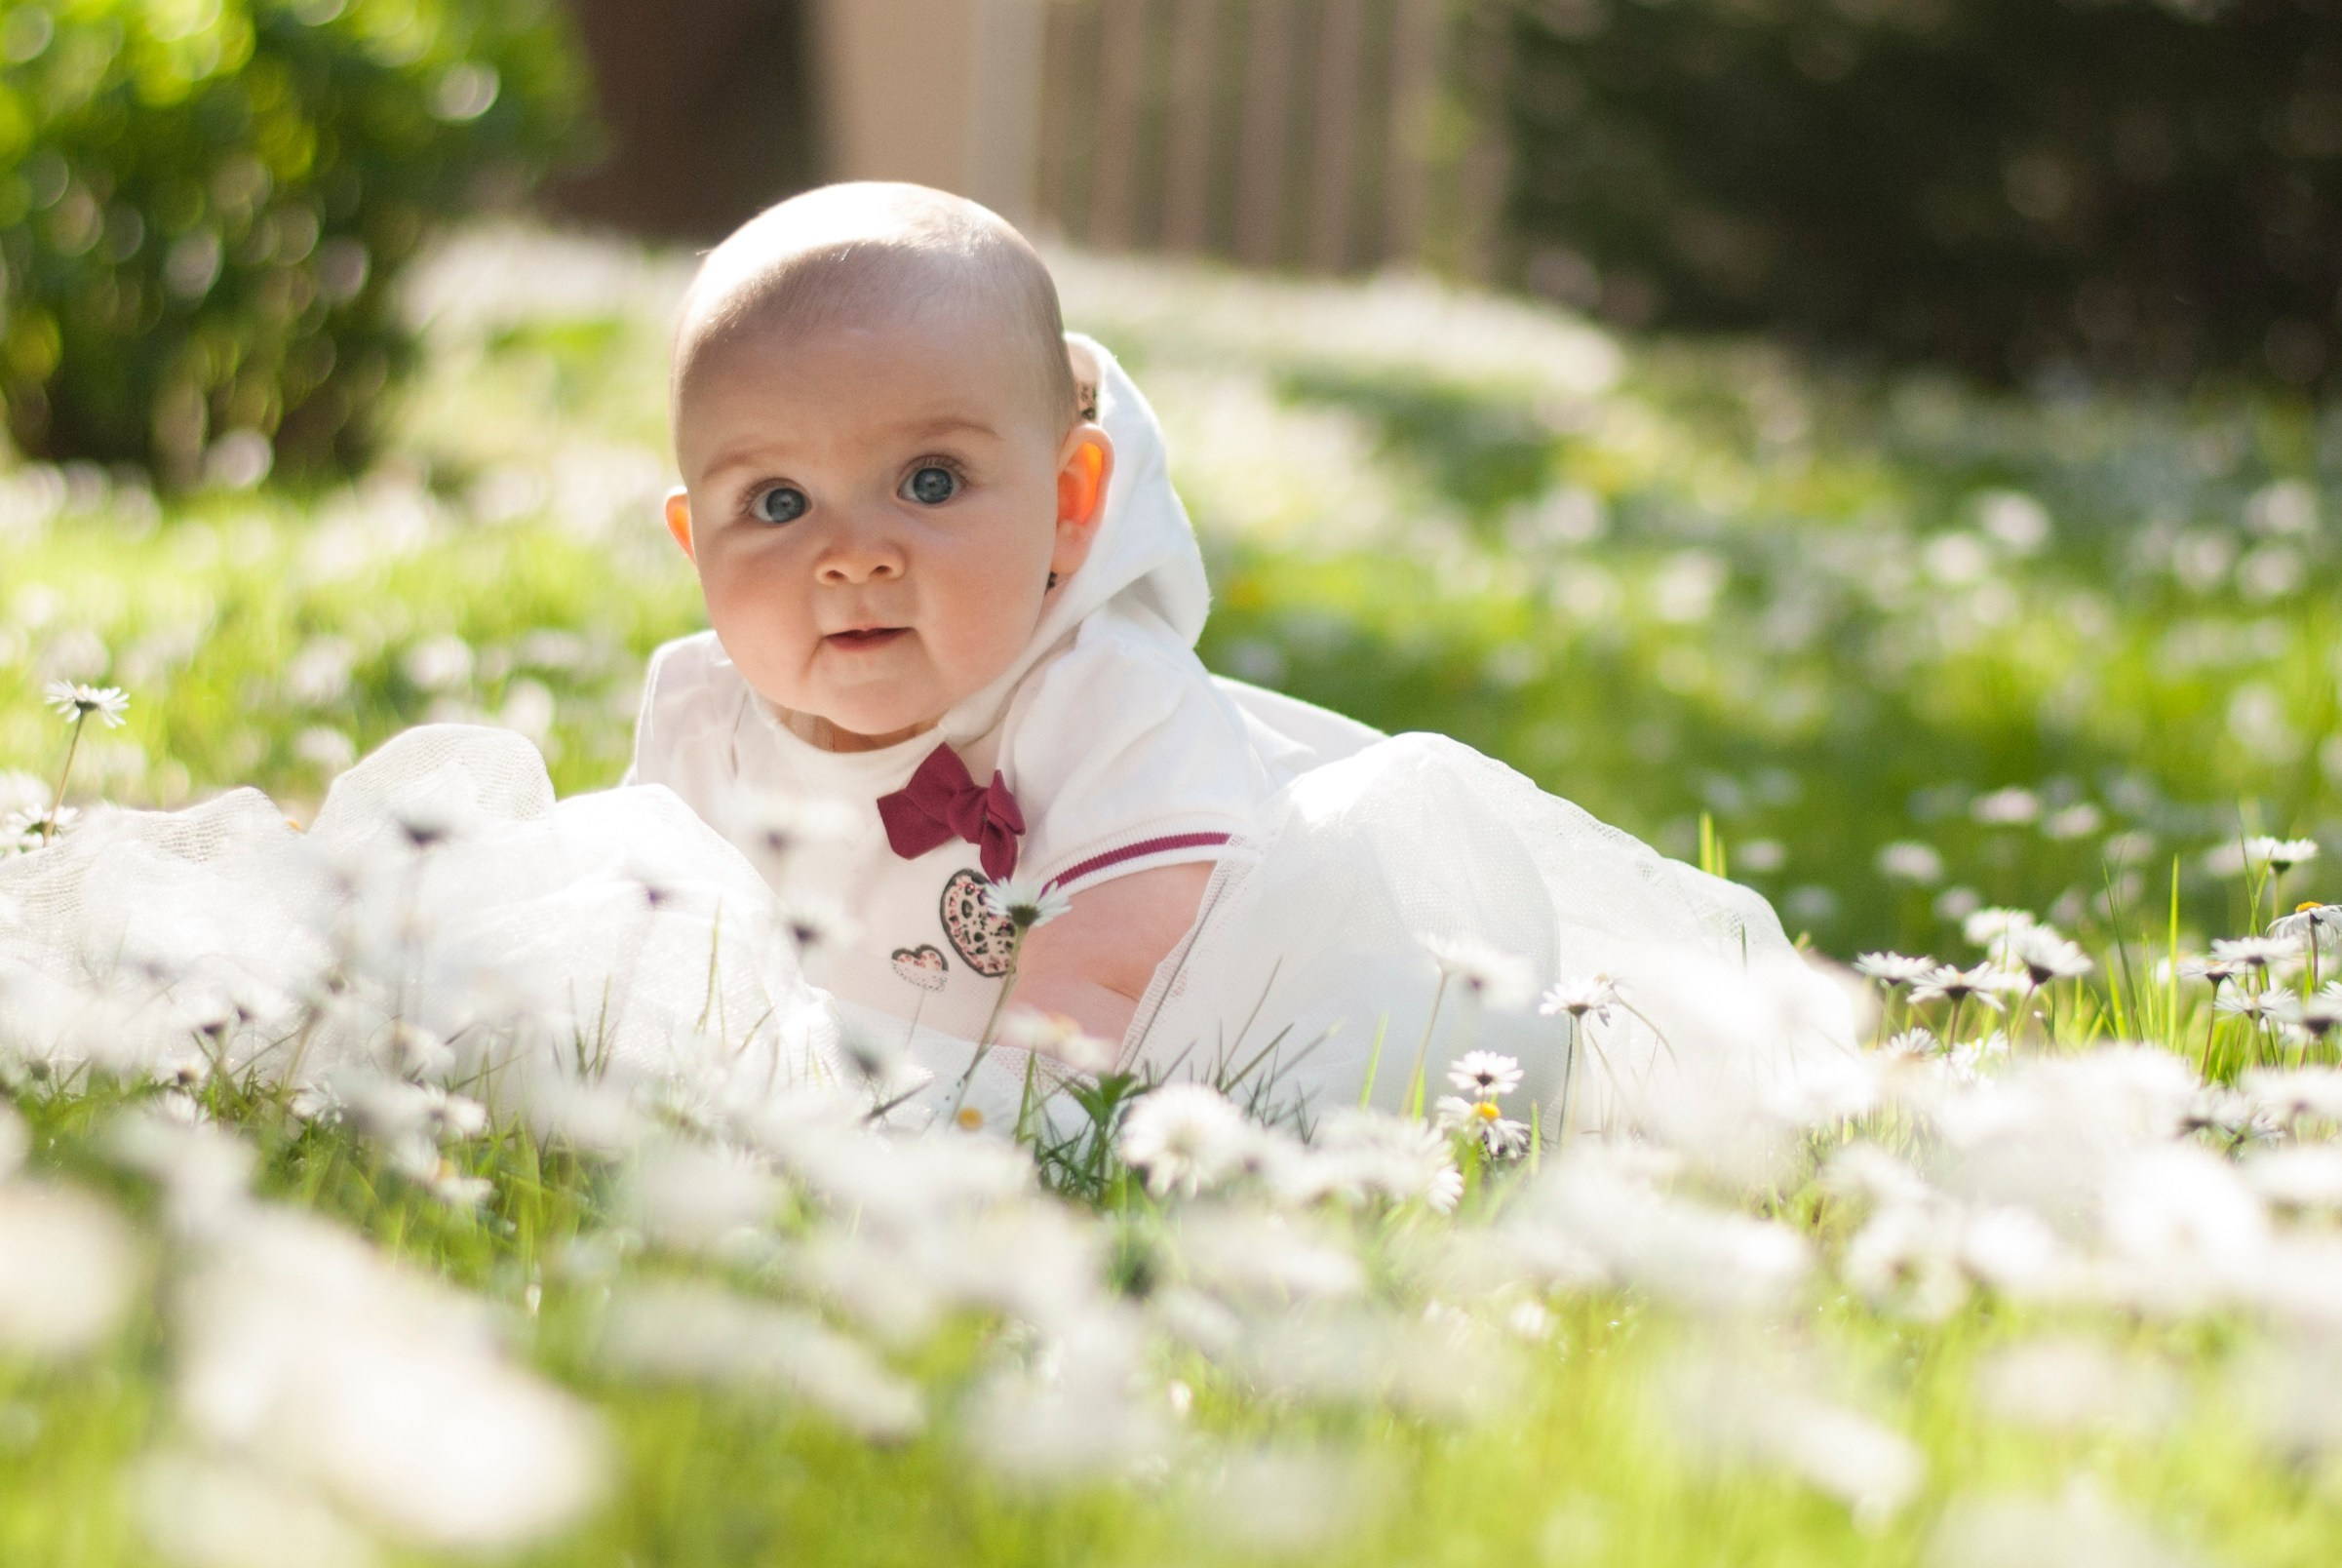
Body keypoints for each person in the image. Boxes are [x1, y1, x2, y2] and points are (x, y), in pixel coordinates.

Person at [632, 181, 1854, 1130]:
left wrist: (974, 1145)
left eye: (930, 482)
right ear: (694, 540)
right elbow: (654, 947)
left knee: (1434, 1069)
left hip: (1174, 1045)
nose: (853, 555)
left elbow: (1100, 993)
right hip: (858, 1076)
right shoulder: (699, 711)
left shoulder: (1103, 699)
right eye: (778, 503)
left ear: (1068, 501)